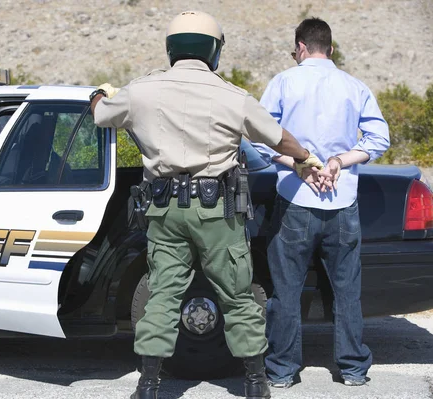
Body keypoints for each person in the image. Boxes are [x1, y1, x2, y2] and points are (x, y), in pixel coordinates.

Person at [89, 10, 325, 399]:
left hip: (164, 211)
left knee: (163, 294)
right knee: (236, 294)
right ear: (214, 51)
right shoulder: (231, 95)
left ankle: (148, 386)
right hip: (218, 212)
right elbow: (277, 139)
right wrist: (304, 157)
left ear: (171, 49)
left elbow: (100, 115)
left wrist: (100, 92)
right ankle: (254, 383)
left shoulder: (141, 90)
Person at [252, 17, 390, 388]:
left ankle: (281, 371)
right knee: (347, 291)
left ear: (300, 47)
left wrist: (298, 165)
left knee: (286, 291)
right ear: (329, 48)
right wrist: (338, 162)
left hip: (294, 199)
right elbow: (379, 138)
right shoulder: (354, 86)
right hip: (343, 201)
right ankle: (353, 369)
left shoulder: (283, 81)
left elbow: (260, 139)